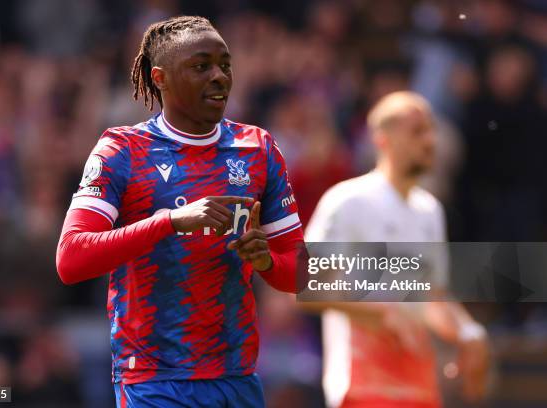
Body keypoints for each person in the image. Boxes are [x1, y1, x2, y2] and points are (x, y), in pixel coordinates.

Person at [55, 15, 304, 408]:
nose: (219, 76)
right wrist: (168, 222)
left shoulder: (258, 148)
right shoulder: (121, 150)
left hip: (236, 376)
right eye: (201, 66)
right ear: (160, 78)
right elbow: (71, 258)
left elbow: (300, 270)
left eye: (225, 64)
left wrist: (266, 261)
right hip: (155, 379)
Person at [305, 91, 489, 408]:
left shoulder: (429, 210)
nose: (430, 140)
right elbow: (307, 286)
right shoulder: (348, 201)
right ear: (382, 139)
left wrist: (468, 333)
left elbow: (433, 297)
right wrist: (380, 312)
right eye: (417, 131)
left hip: (419, 385)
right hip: (362, 383)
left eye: (430, 129)